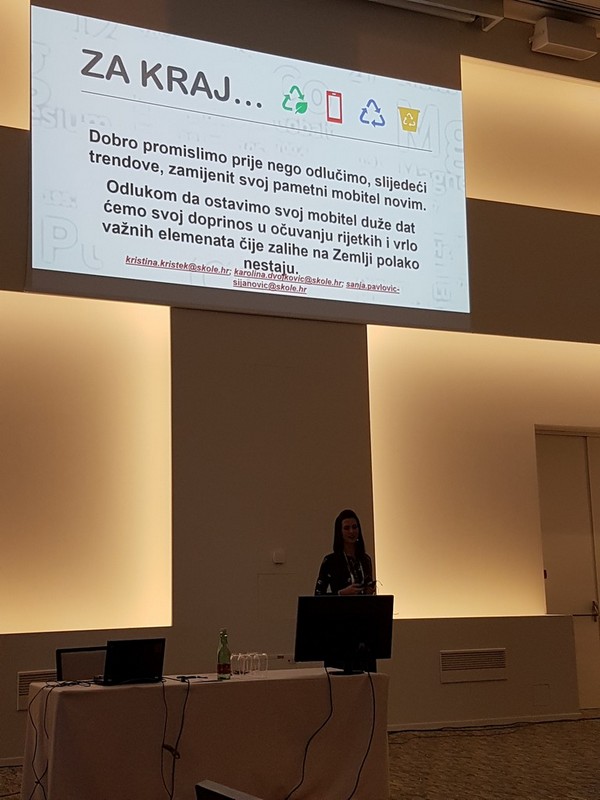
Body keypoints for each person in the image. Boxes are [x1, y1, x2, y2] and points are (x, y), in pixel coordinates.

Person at [314, 509, 375, 595]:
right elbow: (318, 595)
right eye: (347, 528)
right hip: (340, 604)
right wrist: (341, 594)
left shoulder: (365, 560)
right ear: (340, 532)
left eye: (354, 527)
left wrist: (368, 591)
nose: (351, 531)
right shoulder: (330, 561)